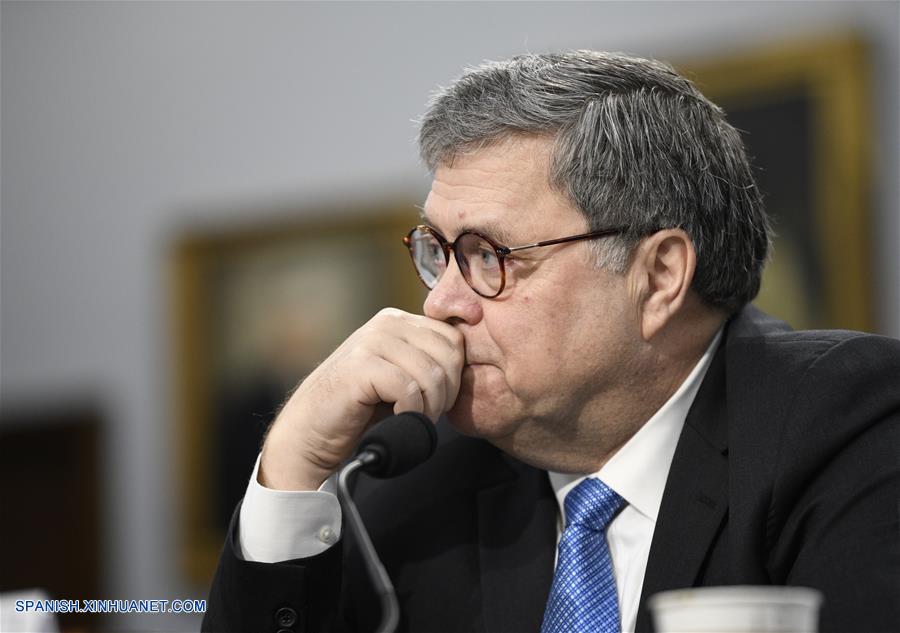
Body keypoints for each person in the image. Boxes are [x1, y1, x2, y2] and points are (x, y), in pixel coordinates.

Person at [202, 51, 900, 633]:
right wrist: (291, 468)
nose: (439, 302)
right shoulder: (414, 484)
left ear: (657, 277)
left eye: (488, 255)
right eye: (437, 252)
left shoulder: (847, 423)